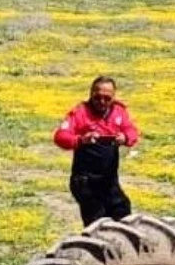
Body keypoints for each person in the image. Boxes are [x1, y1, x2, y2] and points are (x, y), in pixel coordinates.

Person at [54, 76, 141, 227]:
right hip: (85, 181)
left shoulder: (119, 112)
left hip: (108, 180)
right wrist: (80, 140)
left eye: (107, 98)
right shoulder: (80, 113)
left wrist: (125, 137)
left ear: (113, 97)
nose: (101, 102)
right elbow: (60, 136)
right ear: (91, 94)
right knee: (97, 220)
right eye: (97, 97)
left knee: (122, 212)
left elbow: (132, 131)